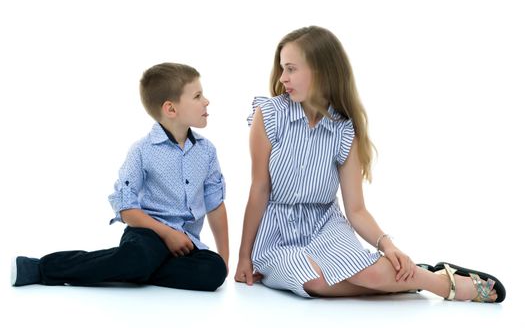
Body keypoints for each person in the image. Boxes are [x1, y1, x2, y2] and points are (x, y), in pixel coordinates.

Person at [234, 26, 505, 303]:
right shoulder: (268, 115)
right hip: (278, 233)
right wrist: (244, 256)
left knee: (372, 275)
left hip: (325, 225)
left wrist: (388, 246)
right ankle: (427, 282)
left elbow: (356, 209)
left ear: (321, 71)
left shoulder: (344, 129)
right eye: (282, 68)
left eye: (291, 69)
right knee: (313, 281)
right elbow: (260, 189)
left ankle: (428, 280)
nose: (283, 78)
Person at [12, 63, 229, 291]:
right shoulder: (142, 151)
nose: (206, 101)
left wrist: (223, 261)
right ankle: (40, 268)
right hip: (147, 236)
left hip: (184, 245)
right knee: (139, 258)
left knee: (212, 271)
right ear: (171, 109)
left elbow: (215, 204)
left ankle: (136, 272)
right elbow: (126, 208)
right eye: (197, 96)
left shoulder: (207, 151)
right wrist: (167, 234)